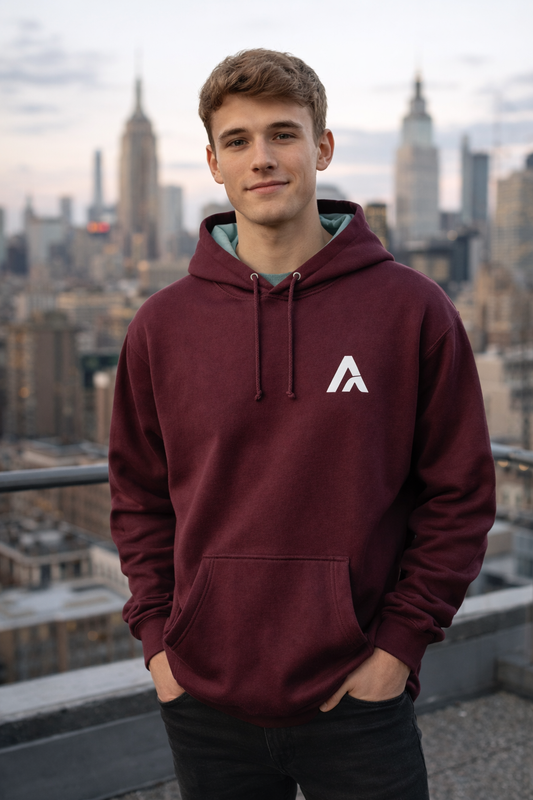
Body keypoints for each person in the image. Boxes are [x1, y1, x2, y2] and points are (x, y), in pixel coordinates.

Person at [109, 49, 496, 800]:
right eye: (238, 141)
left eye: (283, 134)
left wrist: (395, 650)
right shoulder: (161, 325)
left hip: (359, 697)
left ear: (321, 148)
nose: (263, 158)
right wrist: (160, 648)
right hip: (203, 696)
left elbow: (458, 495)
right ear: (214, 163)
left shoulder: (412, 311)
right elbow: (138, 497)